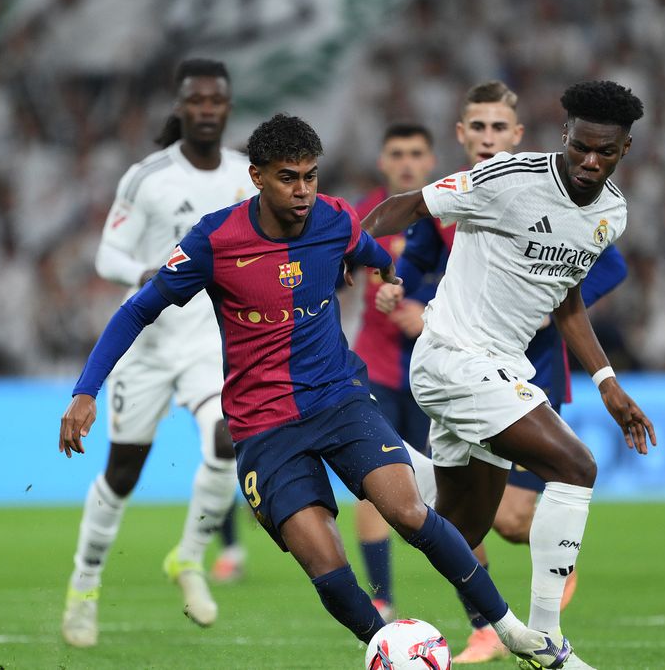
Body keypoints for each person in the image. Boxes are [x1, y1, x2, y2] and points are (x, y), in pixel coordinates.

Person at [58, 113, 570, 669]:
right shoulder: (215, 239)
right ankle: (384, 647)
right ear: (257, 177)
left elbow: (374, 252)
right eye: (288, 178)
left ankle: (513, 631)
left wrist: (385, 275)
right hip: (263, 426)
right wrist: (87, 391)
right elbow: (137, 310)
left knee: (410, 511)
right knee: (323, 559)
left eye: (310, 176)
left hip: (339, 401)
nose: (302, 191)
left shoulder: (334, 220)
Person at [362, 80, 653, 670]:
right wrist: (345, 250)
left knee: (459, 528)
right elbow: (411, 206)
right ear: (564, 134)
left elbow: (567, 300)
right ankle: (548, 641)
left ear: (625, 148)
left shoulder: (610, 212)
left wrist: (607, 382)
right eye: (581, 147)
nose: (590, 163)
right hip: (454, 357)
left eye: (607, 151)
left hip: (503, 366)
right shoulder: (510, 178)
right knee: (575, 465)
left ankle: (362, 455)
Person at [60, 58, 253, 648]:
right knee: (122, 473)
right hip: (145, 343)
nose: (205, 109)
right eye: (195, 100)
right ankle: (84, 585)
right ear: (180, 105)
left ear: (226, 106)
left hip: (206, 341)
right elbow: (106, 256)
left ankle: (189, 557)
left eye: (215, 100)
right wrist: (147, 270)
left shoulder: (247, 176)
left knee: (227, 440)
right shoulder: (147, 178)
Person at [349, 122, 439, 620]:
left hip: (435, 374)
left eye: (416, 154)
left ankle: (475, 602)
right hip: (377, 368)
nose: (406, 162)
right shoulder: (363, 214)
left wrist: (430, 314)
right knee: (372, 482)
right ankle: (381, 597)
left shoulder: (450, 213)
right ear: (383, 161)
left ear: (430, 161)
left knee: (447, 490)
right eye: (397, 153)